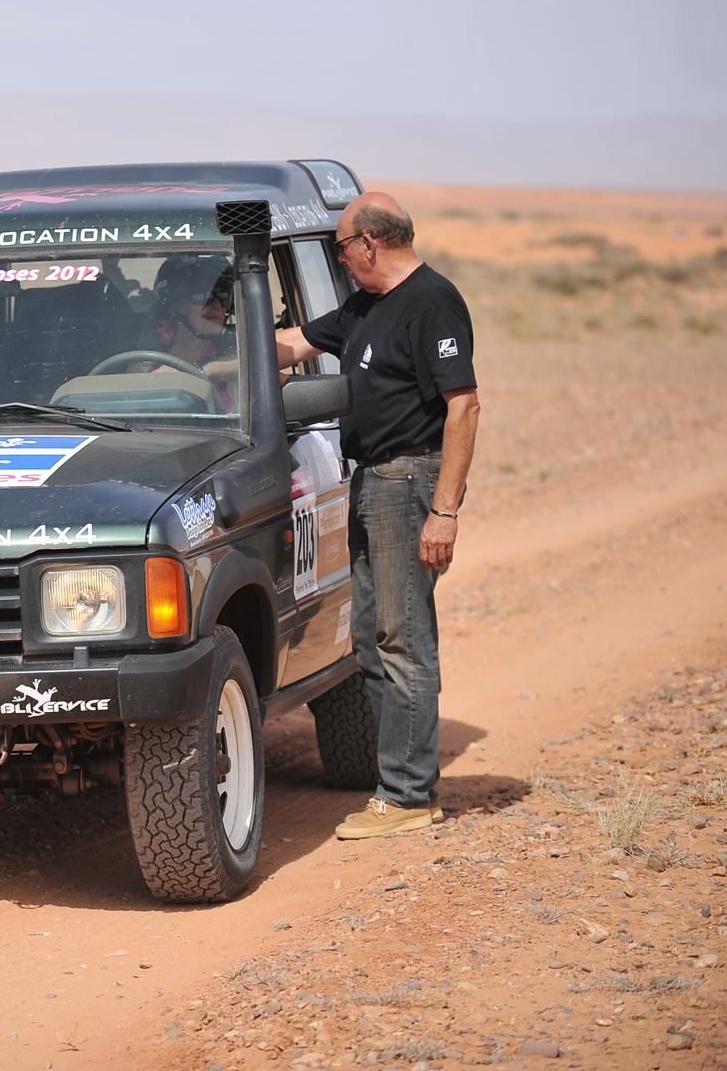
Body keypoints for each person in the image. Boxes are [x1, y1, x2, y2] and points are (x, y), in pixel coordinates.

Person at [275, 192, 481, 839]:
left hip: (407, 480)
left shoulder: (431, 300)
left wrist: (443, 510)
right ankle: (394, 785)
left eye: (338, 247)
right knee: (369, 636)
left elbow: (464, 406)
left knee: (403, 639)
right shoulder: (364, 306)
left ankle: (409, 796)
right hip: (369, 481)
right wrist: (214, 337)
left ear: (368, 243)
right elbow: (290, 345)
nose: (338, 260)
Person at [144, 256, 238, 411]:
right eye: (204, 296)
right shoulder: (145, 363)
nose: (217, 306)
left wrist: (197, 373)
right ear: (174, 306)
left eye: (223, 297)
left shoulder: (237, 359)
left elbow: (262, 357)